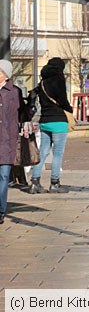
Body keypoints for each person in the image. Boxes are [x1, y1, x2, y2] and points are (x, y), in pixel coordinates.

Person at [30, 57, 73, 194]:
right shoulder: (59, 80)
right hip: (58, 121)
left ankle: (35, 182)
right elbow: (62, 99)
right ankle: (55, 183)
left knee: (42, 152)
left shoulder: (42, 82)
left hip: (45, 121)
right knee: (58, 154)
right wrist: (69, 109)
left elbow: (33, 94)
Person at [0, 59, 23, 223]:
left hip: (7, 140)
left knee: (3, 176)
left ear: (5, 75)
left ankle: (0, 211)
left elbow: (18, 115)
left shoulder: (14, 92)